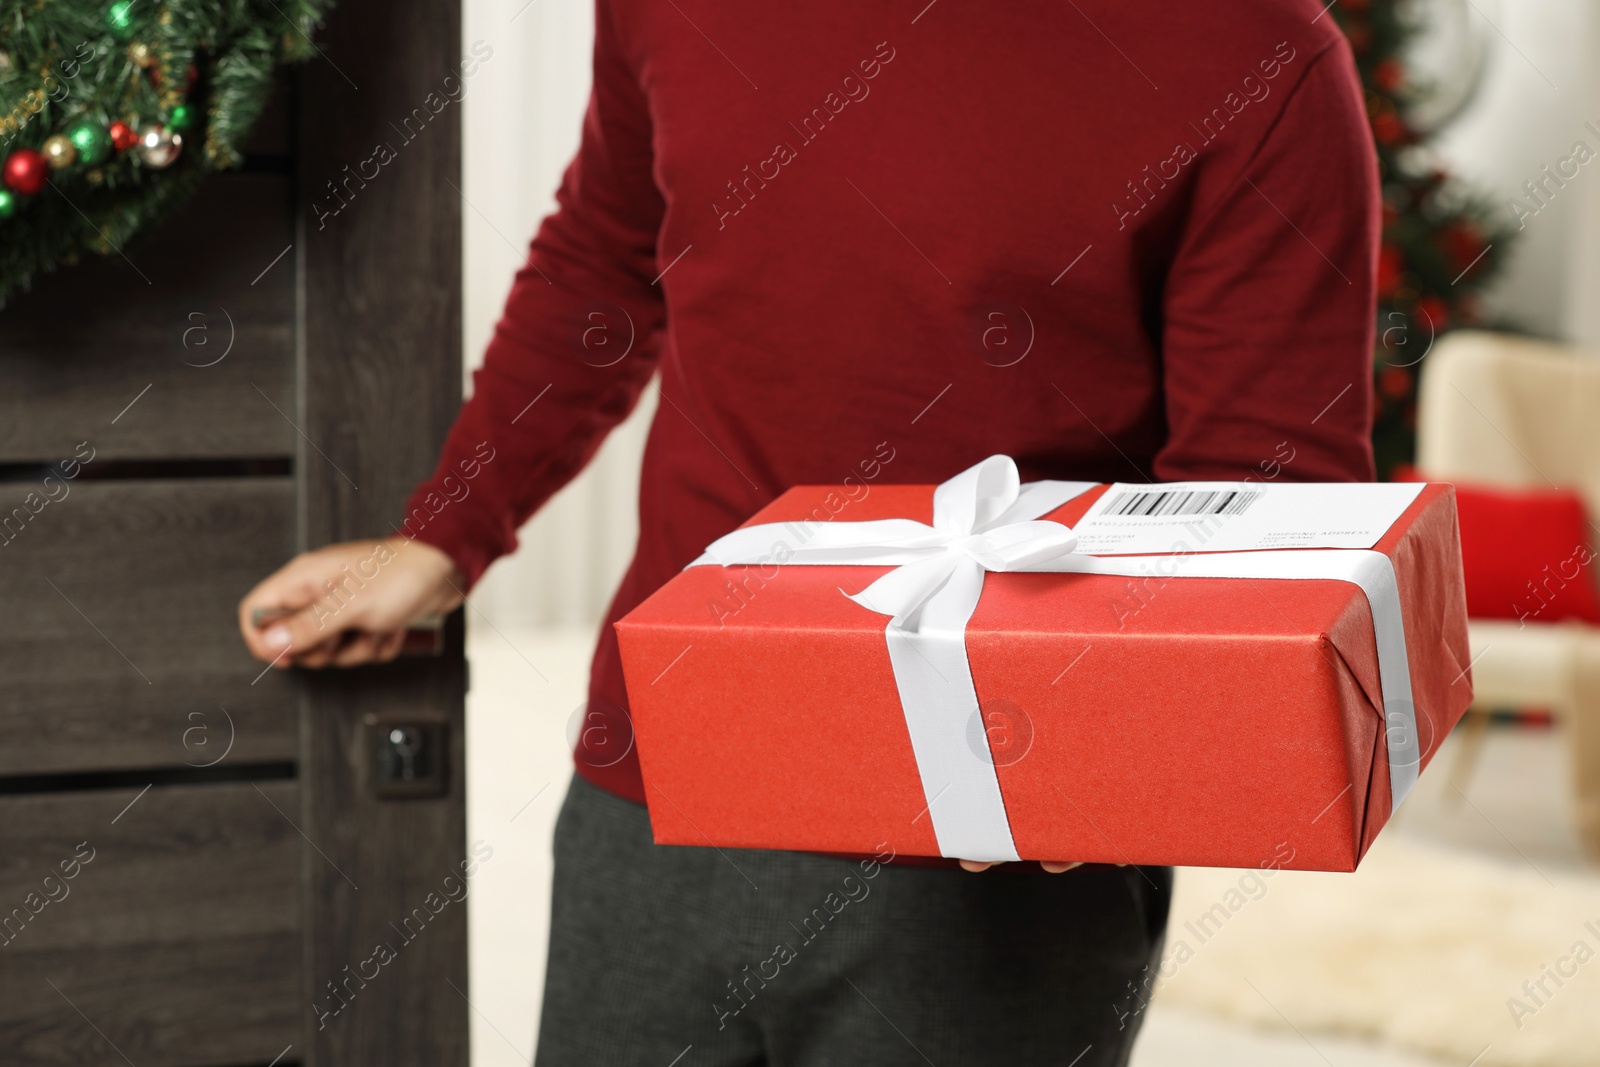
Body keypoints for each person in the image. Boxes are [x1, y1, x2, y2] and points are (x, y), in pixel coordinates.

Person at [239, 1, 1378, 1062]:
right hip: (662, 766)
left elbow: (1268, 498)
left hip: (991, 827)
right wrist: (447, 536)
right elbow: (607, 253)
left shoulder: (1254, 52)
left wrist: (1101, 764)